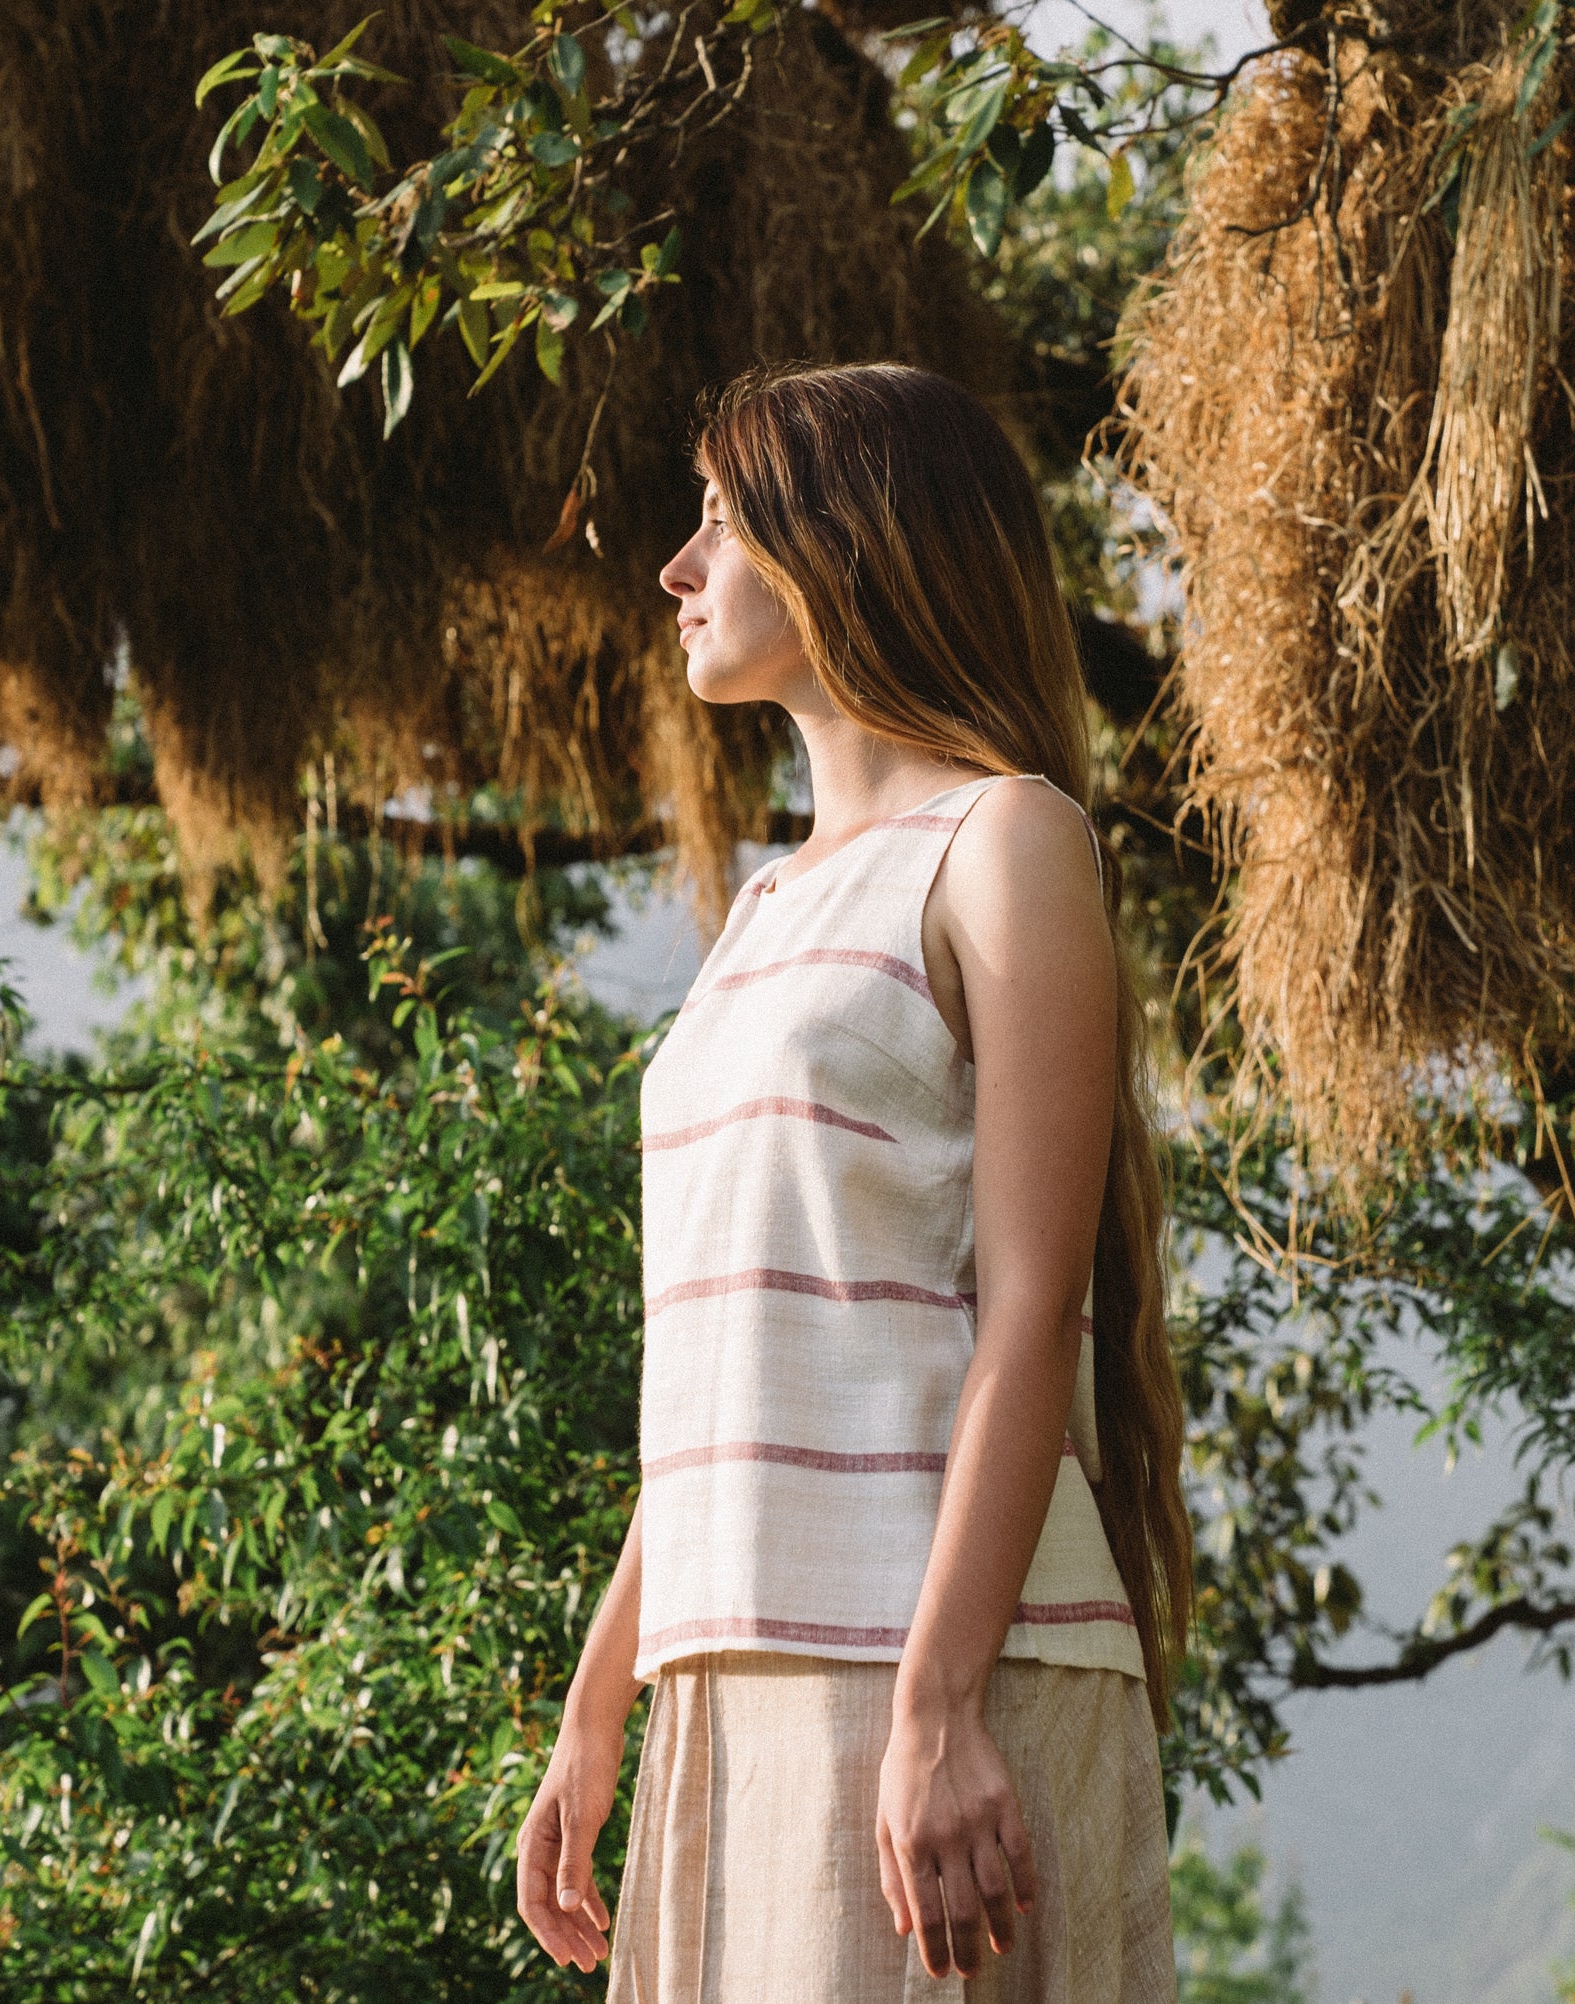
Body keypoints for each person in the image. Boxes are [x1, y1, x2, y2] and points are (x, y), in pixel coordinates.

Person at [512, 361, 1188, 2001]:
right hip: (733, 1686)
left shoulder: (1006, 840)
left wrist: (941, 1705)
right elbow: (733, 1368)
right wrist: (602, 1700)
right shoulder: (755, 915)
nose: (676, 569)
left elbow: (1035, 1312)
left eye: (723, 523)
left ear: (852, 553)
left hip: (934, 1671)